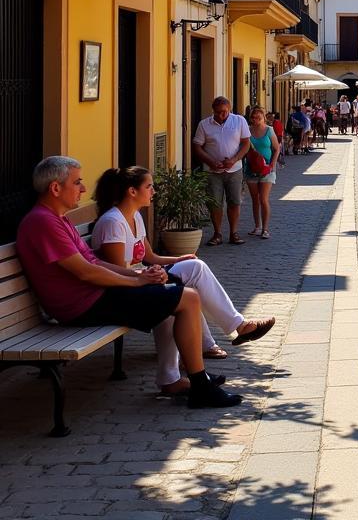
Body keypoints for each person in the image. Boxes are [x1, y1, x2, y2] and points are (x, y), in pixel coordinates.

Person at [16, 156, 241, 409]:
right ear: (55, 188)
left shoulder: (58, 219)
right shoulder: (43, 222)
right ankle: (201, 387)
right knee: (187, 298)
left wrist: (138, 276)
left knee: (174, 294)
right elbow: (86, 272)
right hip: (82, 305)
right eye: (77, 182)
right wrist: (136, 282)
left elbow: (94, 263)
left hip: (94, 296)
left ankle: (184, 380)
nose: (82, 188)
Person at [91, 166, 276, 394]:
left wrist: (179, 258)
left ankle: (225, 335)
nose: (153, 192)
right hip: (126, 287)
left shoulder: (134, 217)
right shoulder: (113, 223)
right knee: (180, 290)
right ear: (132, 191)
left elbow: (149, 256)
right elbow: (120, 270)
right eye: (149, 186)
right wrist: (151, 275)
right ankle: (229, 332)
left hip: (142, 278)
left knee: (194, 268)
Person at [192, 96, 251, 247]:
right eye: (217, 112)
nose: (220, 115)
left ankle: (233, 233)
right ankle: (217, 233)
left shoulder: (239, 121)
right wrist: (211, 161)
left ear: (229, 109)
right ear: (213, 111)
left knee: (234, 201)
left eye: (224, 112)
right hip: (212, 171)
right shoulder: (204, 124)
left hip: (235, 170)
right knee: (215, 204)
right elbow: (197, 146)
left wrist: (235, 159)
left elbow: (246, 144)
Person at [243, 105, 279, 239]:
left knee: (263, 199)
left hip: (266, 170)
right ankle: (257, 227)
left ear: (264, 118)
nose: (255, 120)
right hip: (251, 169)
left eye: (258, 117)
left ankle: (265, 229)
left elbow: (276, 148)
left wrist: (272, 165)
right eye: (253, 117)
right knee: (254, 199)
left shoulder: (269, 130)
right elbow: (243, 148)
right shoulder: (247, 130)